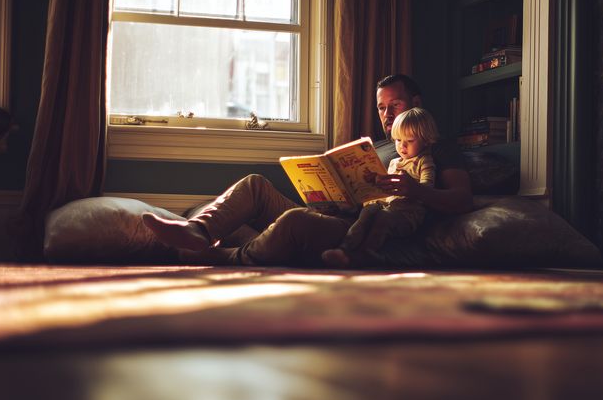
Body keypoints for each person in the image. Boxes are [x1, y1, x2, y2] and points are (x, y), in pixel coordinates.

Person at [142, 73, 473, 266]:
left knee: (294, 221)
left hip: (363, 233)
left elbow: (461, 199)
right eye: (382, 108)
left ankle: (222, 258)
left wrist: (414, 190)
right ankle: (198, 232)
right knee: (256, 184)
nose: (387, 115)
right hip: (339, 214)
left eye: (395, 106)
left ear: (415, 103)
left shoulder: (437, 147)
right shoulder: (376, 147)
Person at [321, 107, 439, 268]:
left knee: (383, 219)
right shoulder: (394, 162)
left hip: (408, 214)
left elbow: (427, 187)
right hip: (387, 207)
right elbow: (385, 189)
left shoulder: (424, 161)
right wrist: (374, 182)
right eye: (398, 140)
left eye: (409, 141)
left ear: (426, 140)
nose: (402, 146)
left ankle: (366, 253)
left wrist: (411, 186)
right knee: (367, 212)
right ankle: (344, 248)